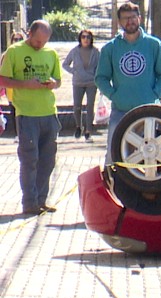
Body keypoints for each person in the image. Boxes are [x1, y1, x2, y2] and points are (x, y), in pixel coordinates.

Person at [0, 20, 62, 215]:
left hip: (49, 112)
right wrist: (26, 84)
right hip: (26, 114)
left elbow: (58, 80)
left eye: (44, 42)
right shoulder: (14, 51)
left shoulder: (51, 54)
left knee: (48, 160)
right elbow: (2, 79)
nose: (39, 45)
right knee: (30, 159)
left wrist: (53, 83)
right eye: (36, 41)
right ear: (29, 33)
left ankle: (42, 199)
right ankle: (29, 202)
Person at [96, 1, 161, 148]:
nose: (130, 21)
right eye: (125, 18)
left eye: (133, 17)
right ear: (119, 22)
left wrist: (155, 94)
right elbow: (101, 78)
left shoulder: (154, 45)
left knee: (150, 154)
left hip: (149, 111)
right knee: (115, 156)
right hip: (120, 112)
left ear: (139, 18)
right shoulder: (110, 48)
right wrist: (114, 95)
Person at [62, 30, 100, 140]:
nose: (86, 39)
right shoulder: (74, 51)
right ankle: (78, 126)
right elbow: (65, 64)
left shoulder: (95, 52)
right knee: (77, 106)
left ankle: (88, 130)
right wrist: (74, 71)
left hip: (91, 82)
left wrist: (96, 75)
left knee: (90, 106)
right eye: (83, 37)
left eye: (88, 37)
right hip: (78, 82)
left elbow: (100, 66)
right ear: (80, 38)